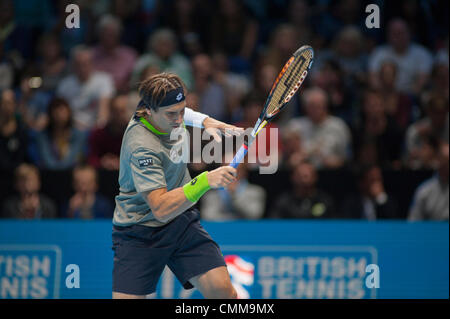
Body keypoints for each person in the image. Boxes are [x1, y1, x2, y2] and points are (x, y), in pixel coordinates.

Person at [112, 72, 243, 299]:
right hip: (140, 230)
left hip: (180, 222)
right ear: (149, 111)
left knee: (225, 294)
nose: (179, 119)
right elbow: (161, 208)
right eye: (172, 114)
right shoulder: (142, 146)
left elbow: (178, 111)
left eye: (183, 110)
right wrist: (205, 180)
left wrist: (204, 120)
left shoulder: (163, 110)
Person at [285, 87, 352, 169]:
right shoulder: (295, 126)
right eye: (311, 106)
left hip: (331, 173)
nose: (315, 110)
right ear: (305, 107)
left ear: (326, 105)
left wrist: (338, 162)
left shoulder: (339, 126)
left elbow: (347, 157)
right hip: (303, 173)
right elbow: (288, 158)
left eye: (319, 105)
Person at [368, 18, 433, 96]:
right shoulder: (378, 53)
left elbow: (422, 82)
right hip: (384, 96)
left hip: (412, 97)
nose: (398, 37)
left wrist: (403, 99)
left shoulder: (422, 53)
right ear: (388, 35)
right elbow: (374, 80)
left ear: (409, 33)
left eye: (401, 33)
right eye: (394, 33)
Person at [56, 45, 115, 130]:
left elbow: (104, 112)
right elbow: (61, 113)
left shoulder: (104, 80)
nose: (82, 68)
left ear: (92, 63)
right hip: (71, 129)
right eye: (78, 64)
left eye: (85, 63)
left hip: (96, 129)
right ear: (73, 65)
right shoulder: (64, 85)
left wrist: (98, 128)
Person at [201, 160, 266, 221]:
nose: (231, 175)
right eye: (227, 171)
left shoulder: (256, 192)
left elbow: (254, 216)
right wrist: (232, 220)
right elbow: (208, 217)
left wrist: (234, 194)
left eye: (237, 170)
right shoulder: (211, 194)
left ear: (244, 172)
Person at [269, 160, 336, 219]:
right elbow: (275, 223)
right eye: (299, 176)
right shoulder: (283, 201)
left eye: (306, 176)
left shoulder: (324, 200)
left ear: (315, 177)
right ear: (293, 177)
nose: (303, 180)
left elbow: (335, 224)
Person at [34, 98, 87, 170]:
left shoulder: (79, 134)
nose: (60, 115)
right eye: (56, 112)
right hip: (50, 172)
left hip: (72, 172)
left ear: (69, 113)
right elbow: (46, 159)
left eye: (63, 111)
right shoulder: (43, 135)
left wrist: (61, 169)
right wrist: (58, 170)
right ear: (50, 114)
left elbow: (73, 157)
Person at [91, 14, 137, 92]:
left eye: (112, 33)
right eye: (105, 32)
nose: (109, 36)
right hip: (94, 96)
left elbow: (134, 81)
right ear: (99, 34)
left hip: (121, 96)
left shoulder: (130, 55)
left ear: (119, 34)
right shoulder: (90, 54)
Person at [87, 94, 130, 170]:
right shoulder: (98, 134)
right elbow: (91, 158)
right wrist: (102, 162)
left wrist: (121, 163)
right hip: (103, 174)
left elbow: (141, 161)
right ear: (110, 111)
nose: (119, 115)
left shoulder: (134, 135)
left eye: (122, 111)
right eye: (116, 111)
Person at [408, 142, 449, 221]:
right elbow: (414, 222)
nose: (447, 165)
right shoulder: (424, 191)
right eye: (446, 160)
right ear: (439, 161)